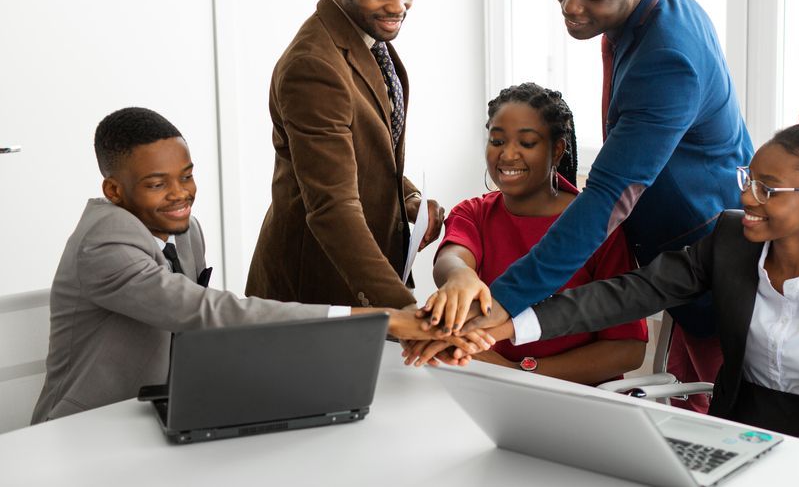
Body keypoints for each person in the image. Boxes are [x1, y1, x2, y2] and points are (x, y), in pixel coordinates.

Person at [450, 98, 799, 445]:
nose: (746, 197)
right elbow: (631, 293)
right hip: (735, 433)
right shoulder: (730, 240)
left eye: (767, 190)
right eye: (747, 179)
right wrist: (512, 321)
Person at [430, 0, 753, 412]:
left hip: (715, 254)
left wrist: (507, 303)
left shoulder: (668, 60)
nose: (570, 5)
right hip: (681, 249)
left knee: (730, 422)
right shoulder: (651, 4)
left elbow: (607, 196)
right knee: (690, 415)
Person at [32, 108, 487, 423]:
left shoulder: (185, 230)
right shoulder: (104, 243)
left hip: (160, 415)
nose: (180, 193)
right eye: (157, 184)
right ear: (115, 192)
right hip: (86, 428)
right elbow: (208, 312)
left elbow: (199, 335)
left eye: (186, 175)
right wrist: (385, 319)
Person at [246, 0, 445, 310]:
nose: (399, 7)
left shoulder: (367, 37)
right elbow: (332, 208)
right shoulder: (313, 66)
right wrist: (404, 308)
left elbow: (361, 154)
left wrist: (407, 196)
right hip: (315, 290)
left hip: (354, 283)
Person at [419, 83, 647, 384]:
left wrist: (519, 373)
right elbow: (453, 258)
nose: (507, 154)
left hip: (577, 400)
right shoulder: (473, 212)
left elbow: (627, 349)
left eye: (526, 143)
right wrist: (461, 276)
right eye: (497, 140)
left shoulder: (597, 226)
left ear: (557, 149)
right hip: (487, 389)